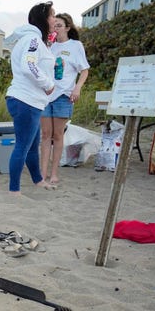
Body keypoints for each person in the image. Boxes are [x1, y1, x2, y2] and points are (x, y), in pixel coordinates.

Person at [5, 1, 57, 195]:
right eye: (52, 16)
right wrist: (48, 84)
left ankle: (38, 180)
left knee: (32, 145)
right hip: (25, 101)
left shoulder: (35, 40)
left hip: (29, 100)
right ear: (43, 19)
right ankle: (14, 190)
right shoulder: (32, 40)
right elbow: (29, 66)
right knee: (23, 146)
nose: (54, 20)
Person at [40, 13, 90, 185]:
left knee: (57, 135)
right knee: (45, 134)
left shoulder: (75, 45)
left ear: (68, 27)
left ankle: (54, 173)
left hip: (64, 94)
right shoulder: (48, 46)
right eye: (54, 25)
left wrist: (77, 88)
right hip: (47, 94)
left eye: (59, 25)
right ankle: (43, 172)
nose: (56, 28)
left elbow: (84, 70)